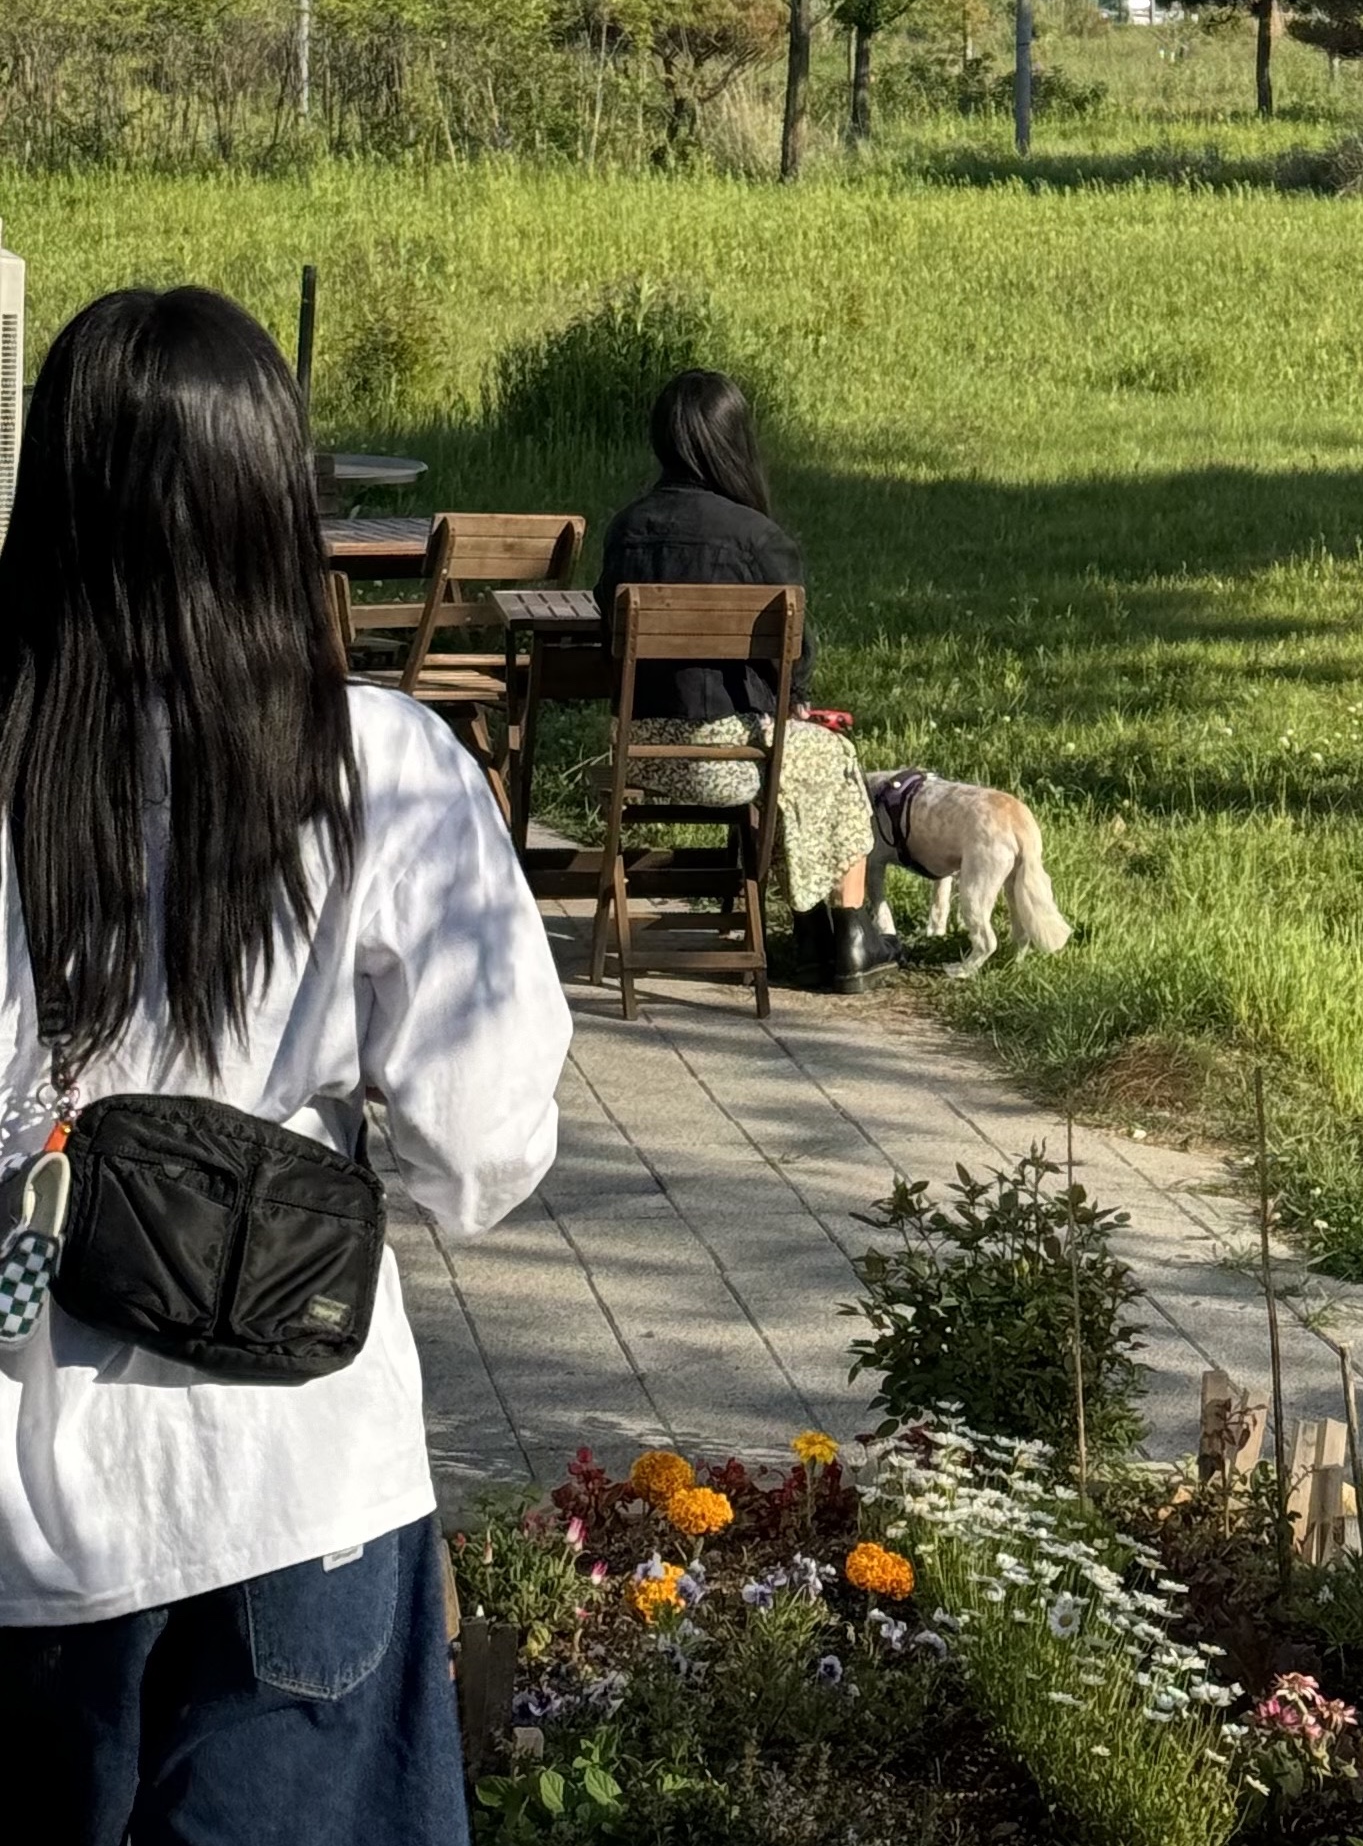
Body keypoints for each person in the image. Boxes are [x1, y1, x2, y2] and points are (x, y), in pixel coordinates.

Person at [0, 287, 573, 1845]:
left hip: (29, 1498)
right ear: (276, 500)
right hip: (297, 1469)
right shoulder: (382, 763)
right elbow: (478, 1153)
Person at [594, 370, 895, 993]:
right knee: (830, 754)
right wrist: (795, 699)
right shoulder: (760, 538)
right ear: (735, 440)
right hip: (736, 760)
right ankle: (849, 934)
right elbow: (795, 656)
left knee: (798, 757)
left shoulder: (626, 530)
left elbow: (606, 632)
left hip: (642, 753)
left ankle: (812, 936)